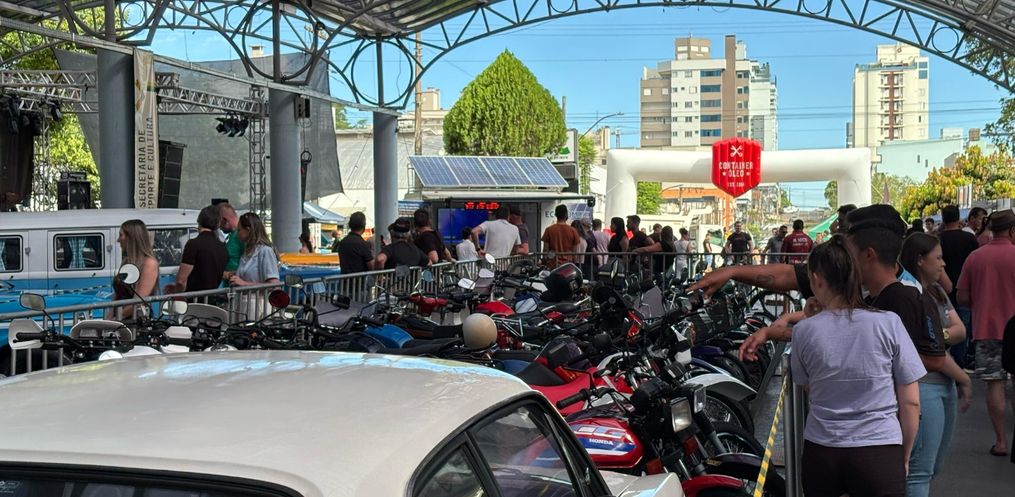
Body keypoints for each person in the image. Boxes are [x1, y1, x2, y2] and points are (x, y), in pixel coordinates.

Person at [693, 204, 972, 497]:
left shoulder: (904, 296)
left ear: (867, 253)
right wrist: (733, 272)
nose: (840, 248)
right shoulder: (857, 288)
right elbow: (788, 279)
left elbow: (929, 361)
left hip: (885, 424)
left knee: (917, 478)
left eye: (846, 239)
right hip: (879, 441)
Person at [791, 235, 924, 497]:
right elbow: (911, 402)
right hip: (880, 450)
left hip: (822, 450)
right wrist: (904, 454)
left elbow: (810, 385)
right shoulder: (888, 323)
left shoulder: (803, 331)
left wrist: (812, 319)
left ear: (816, 279)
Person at [900, 233, 970, 491]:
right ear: (920, 260)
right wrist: (963, 377)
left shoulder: (937, 292)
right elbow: (935, 356)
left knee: (932, 466)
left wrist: (936, 336)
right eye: (938, 258)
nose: (943, 263)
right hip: (925, 386)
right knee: (920, 471)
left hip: (944, 385)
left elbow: (960, 330)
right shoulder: (907, 295)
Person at [957, 208, 1015, 458]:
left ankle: (1000, 441)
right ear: (1012, 230)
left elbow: (962, 297)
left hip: (987, 329)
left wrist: (983, 302)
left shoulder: (975, 258)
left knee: (995, 384)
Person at [938, 205, 980, 369]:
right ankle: (959, 361)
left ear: (943, 219)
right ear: (959, 218)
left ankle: (945, 358)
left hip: (942, 290)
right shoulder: (969, 239)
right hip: (965, 290)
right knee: (963, 327)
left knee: (943, 326)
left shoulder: (938, 239)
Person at [172, 205, 228, 293]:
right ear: (218, 224)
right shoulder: (222, 247)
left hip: (194, 298)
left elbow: (181, 281)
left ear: (199, 221)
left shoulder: (193, 244)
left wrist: (177, 292)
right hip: (213, 297)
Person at [113, 219, 160, 320]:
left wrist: (116, 318)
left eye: (121, 235)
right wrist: (109, 318)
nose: (118, 240)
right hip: (119, 318)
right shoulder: (126, 261)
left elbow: (139, 300)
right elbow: (117, 294)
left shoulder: (149, 263)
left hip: (135, 321)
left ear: (131, 237)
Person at [228, 213, 280, 286]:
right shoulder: (247, 252)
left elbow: (274, 284)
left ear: (248, 230)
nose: (237, 234)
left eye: (239, 230)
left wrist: (244, 284)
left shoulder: (265, 251)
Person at [218, 203, 244, 273]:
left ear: (224, 220)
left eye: (219, 223)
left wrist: (228, 274)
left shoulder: (242, 236)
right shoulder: (232, 235)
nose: (219, 227)